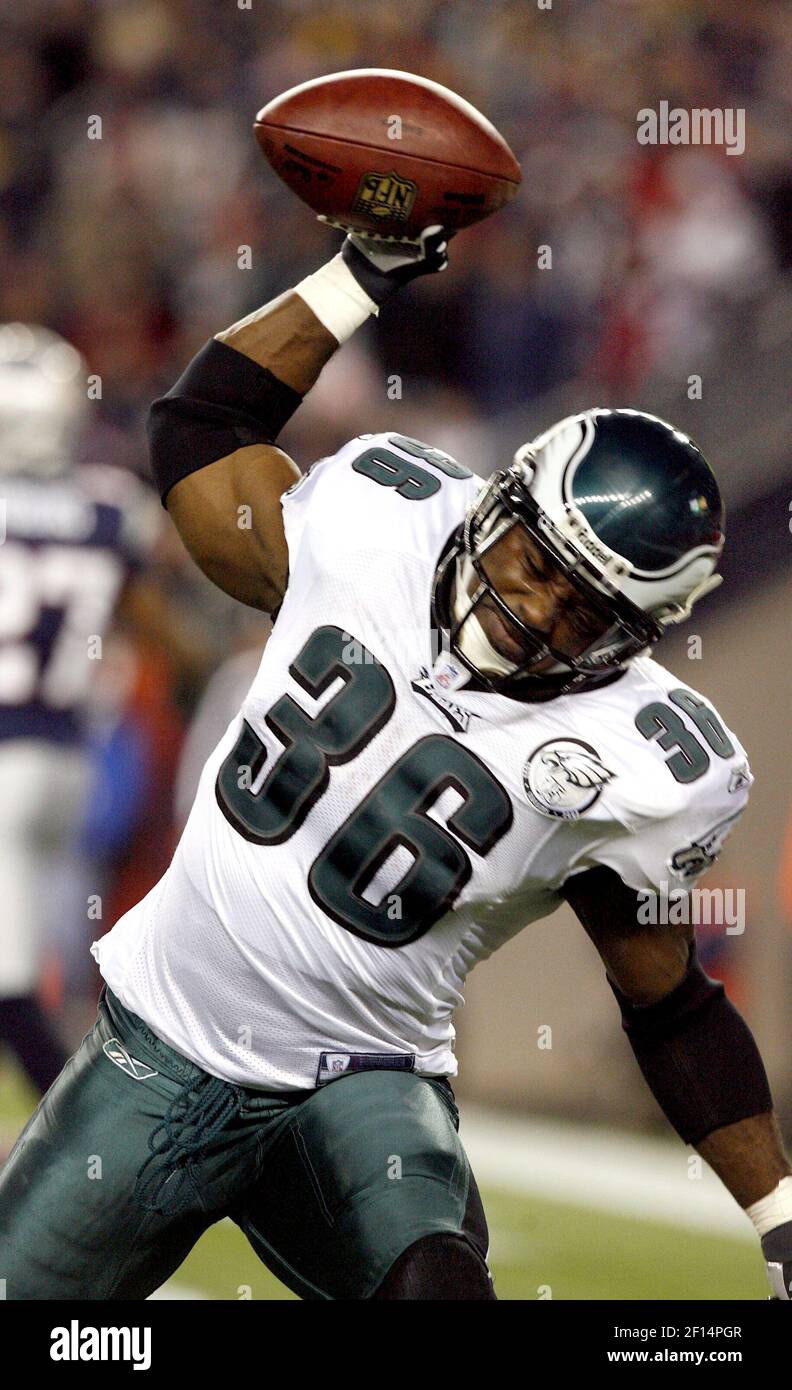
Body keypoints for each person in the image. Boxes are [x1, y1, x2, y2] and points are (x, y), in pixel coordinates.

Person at [0, 230, 789, 1301]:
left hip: (360, 1089)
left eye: (588, 604)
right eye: (538, 560)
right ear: (499, 506)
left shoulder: (646, 764)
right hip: (163, 1041)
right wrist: (354, 273)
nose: (539, 606)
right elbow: (199, 427)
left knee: (436, 1291)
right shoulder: (376, 519)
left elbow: (671, 1005)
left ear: (638, 634)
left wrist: (779, 1216)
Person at [0, 324, 160, 1094]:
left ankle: (90, 1151)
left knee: (9, 982)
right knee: (35, 953)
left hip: (7, 760)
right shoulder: (112, 508)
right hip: (69, 759)